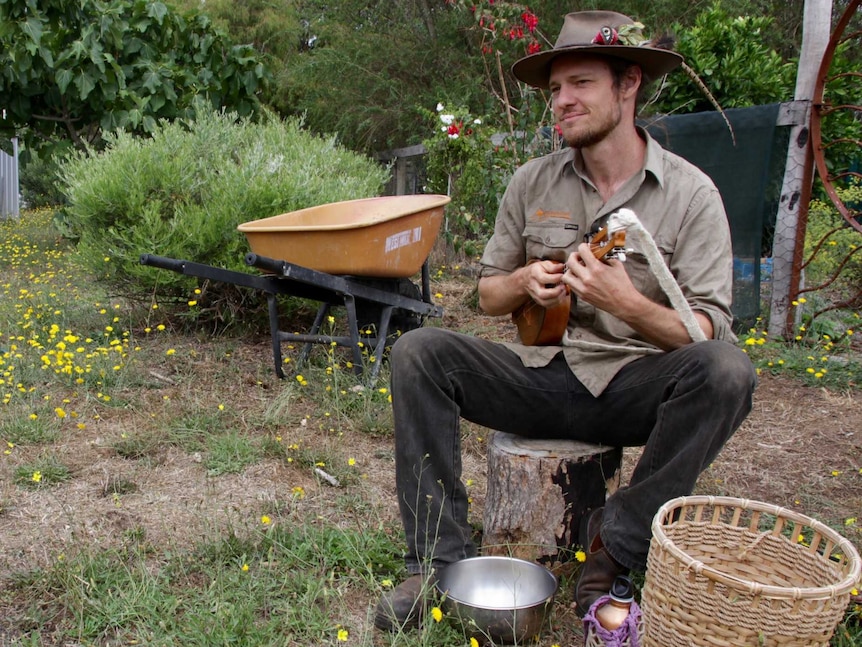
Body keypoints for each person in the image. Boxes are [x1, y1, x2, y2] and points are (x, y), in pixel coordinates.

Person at [374, 10, 757, 632]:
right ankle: (432, 562)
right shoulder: (533, 181)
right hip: (538, 374)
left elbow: (707, 329)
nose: (562, 101)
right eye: (555, 89)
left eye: (580, 83)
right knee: (419, 351)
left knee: (727, 371)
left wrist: (622, 301)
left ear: (628, 84)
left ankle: (617, 546)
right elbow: (487, 295)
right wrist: (524, 282)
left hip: (633, 383)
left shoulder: (691, 194)